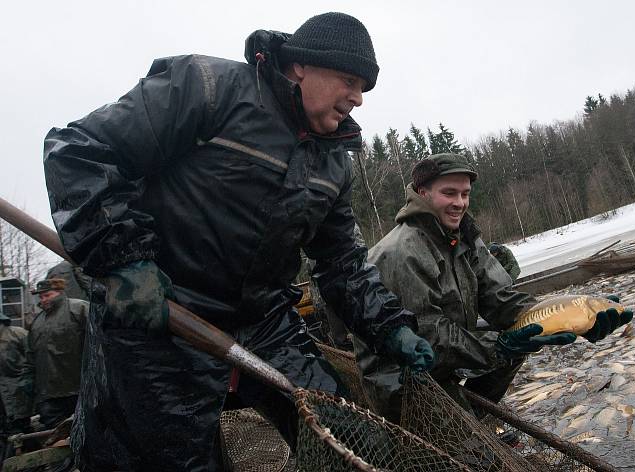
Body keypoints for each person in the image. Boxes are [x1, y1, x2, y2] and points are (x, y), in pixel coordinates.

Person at [42, 12, 433, 471]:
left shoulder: (334, 163)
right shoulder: (209, 87)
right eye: (349, 79)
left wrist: (389, 327)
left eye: (365, 87)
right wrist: (122, 259)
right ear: (301, 65)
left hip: (265, 322)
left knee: (345, 437)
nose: (358, 98)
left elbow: (342, 262)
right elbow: (79, 148)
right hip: (162, 315)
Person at [355, 154, 633, 421]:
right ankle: (460, 429)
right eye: (449, 193)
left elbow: (502, 299)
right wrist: (499, 346)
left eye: (465, 194)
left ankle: (472, 416)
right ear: (422, 193)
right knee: (503, 348)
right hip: (401, 377)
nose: (460, 203)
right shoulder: (402, 252)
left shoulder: (462, 237)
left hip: (440, 360)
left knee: (517, 338)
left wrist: (574, 322)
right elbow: (427, 335)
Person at [24, 279, 88, 429]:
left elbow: (99, 343)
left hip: (79, 389)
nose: (43, 299)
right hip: (48, 395)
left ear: (59, 293)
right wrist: (28, 382)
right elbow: (30, 357)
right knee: (56, 437)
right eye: (41, 297)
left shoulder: (79, 309)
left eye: (47, 295)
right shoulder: (37, 322)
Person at [0, 312, 31, 451]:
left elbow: (33, 355)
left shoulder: (17, 334)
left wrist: (27, 379)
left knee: (21, 427)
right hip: (3, 396)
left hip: (18, 389)